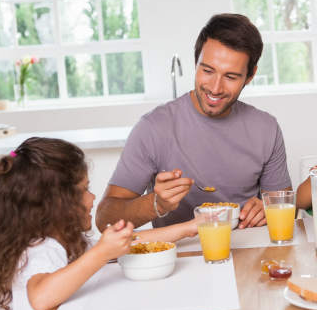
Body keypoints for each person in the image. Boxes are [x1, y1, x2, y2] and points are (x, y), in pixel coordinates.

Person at [0, 137, 200, 310]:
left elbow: (133, 241)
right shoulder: (40, 246)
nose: (93, 198)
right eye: (85, 190)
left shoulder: (68, 240)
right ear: (56, 203)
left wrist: (189, 228)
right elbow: (40, 297)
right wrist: (101, 253)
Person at [96, 13, 292, 232]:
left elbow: (283, 204)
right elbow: (105, 220)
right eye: (207, 71)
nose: (215, 88)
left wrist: (267, 208)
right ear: (196, 62)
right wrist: (156, 204)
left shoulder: (266, 128)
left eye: (231, 77)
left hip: (248, 251)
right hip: (182, 256)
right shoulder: (153, 128)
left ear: (250, 75)